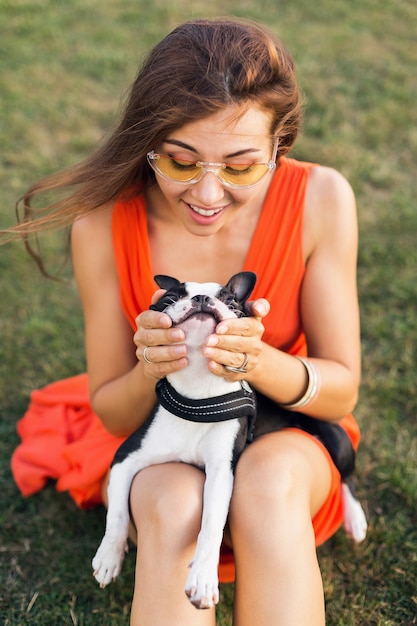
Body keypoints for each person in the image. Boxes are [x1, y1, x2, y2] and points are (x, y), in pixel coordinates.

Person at [5, 17, 362, 626]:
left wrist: (258, 362)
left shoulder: (321, 199)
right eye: (180, 161)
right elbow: (115, 414)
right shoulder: (101, 225)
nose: (208, 192)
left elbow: (341, 390)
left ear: (281, 146)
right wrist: (154, 368)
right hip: (160, 437)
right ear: (149, 145)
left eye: (243, 167)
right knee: (173, 502)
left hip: (280, 430)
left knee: (266, 485)